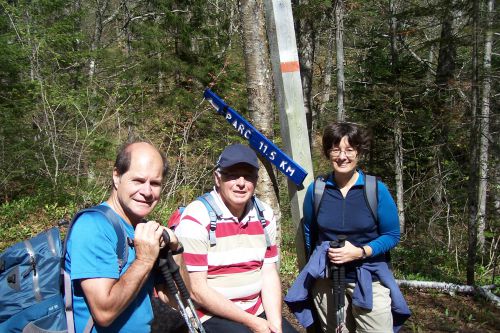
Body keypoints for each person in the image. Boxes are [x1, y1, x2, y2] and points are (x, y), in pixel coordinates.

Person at [287, 122, 410, 333]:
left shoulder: (375, 190)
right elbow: (310, 232)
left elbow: (392, 234)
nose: (342, 156)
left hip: (369, 278)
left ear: (359, 153)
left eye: (349, 150)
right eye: (336, 149)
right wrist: (318, 264)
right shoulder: (317, 190)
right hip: (328, 281)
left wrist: (360, 252)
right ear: (328, 153)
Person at [174, 143, 298, 333]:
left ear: (255, 181)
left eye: (248, 176)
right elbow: (196, 291)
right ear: (218, 178)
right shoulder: (197, 217)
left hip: (256, 310)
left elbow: (268, 273)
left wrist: (275, 325)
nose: (241, 183)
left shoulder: (265, 215)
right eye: (232, 175)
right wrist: (253, 323)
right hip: (208, 314)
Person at [65, 141, 186, 332]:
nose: (147, 192)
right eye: (138, 180)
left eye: (155, 183)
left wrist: (176, 249)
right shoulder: (93, 226)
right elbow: (104, 313)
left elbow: (177, 301)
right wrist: (145, 259)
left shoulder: (142, 229)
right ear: (117, 176)